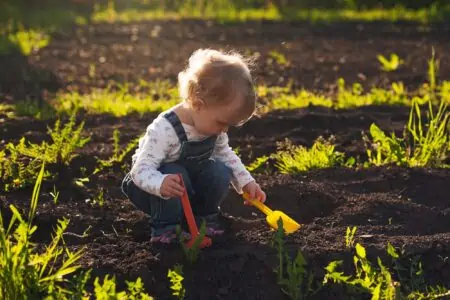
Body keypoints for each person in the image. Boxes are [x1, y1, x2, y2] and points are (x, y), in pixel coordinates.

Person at [121, 48, 266, 244]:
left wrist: (246, 183)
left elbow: (226, 155)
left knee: (219, 171)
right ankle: (166, 229)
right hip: (152, 190)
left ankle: (202, 219)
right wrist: (160, 183)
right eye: (222, 123)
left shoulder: (211, 128)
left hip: (190, 187)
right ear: (198, 104)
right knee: (175, 171)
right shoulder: (164, 129)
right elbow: (140, 171)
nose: (224, 131)